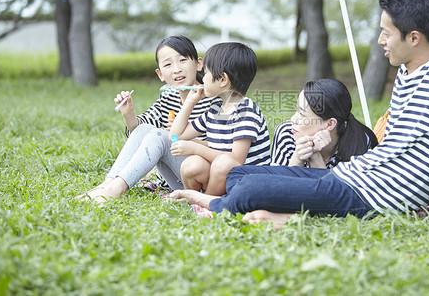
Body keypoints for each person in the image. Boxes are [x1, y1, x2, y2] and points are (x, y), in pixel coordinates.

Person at [171, 0, 429, 227]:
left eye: (386, 33)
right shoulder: (405, 74)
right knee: (240, 173)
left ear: (413, 37)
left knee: (252, 186)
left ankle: (212, 204)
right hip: (354, 175)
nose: (381, 40)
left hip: (378, 194)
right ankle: (279, 216)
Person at [76, 35, 220, 202]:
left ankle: (117, 188)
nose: (176, 69)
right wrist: (128, 114)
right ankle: (108, 184)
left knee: (159, 136)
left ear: (198, 64)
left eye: (182, 60)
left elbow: (221, 148)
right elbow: (140, 131)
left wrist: (183, 134)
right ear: (160, 74)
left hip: (202, 178)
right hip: (177, 178)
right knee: (147, 130)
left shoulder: (214, 101)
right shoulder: (169, 98)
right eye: (168, 64)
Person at [166, 42, 271, 197]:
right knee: (191, 164)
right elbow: (175, 135)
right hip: (222, 179)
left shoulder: (246, 111)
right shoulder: (215, 108)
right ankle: (203, 198)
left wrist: (195, 148)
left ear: (222, 79)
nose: (203, 78)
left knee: (224, 163)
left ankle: (204, 201)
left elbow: (235, 160)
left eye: (207, 72)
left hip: (248, 181)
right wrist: (190, 102)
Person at [271, 78, 377, 169]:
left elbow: (340, 192)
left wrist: (315, 158)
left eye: (302, 115)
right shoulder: (287, 132)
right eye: (296, 110)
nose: (293, 119)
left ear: (330, 124)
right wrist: (297, 159)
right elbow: (277, 189)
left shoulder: (360, 143)